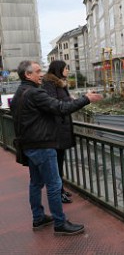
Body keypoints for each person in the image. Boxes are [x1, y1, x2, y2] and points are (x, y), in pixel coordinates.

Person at [10, 60, 102, 236]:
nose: (42, 74)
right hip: (43, 145)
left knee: (36, 183)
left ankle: (38, 218)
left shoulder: (20, 93)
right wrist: (86, 98)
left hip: (28, 146)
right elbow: (61, 108)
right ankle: (60, 223)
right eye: (38, 71)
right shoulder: (35, 93)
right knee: (54, 185)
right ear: (28, 75)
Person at [42, 60, 74, 203]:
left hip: (61, 128)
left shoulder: (59, 82)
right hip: (56, 129)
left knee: (60, 161)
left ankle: (60, 189)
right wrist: (70, 100)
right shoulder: (50, 84)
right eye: (65, 68)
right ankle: (58, 192)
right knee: (56, 164)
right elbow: (55, 105)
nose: (67, 70)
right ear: (58, 69)